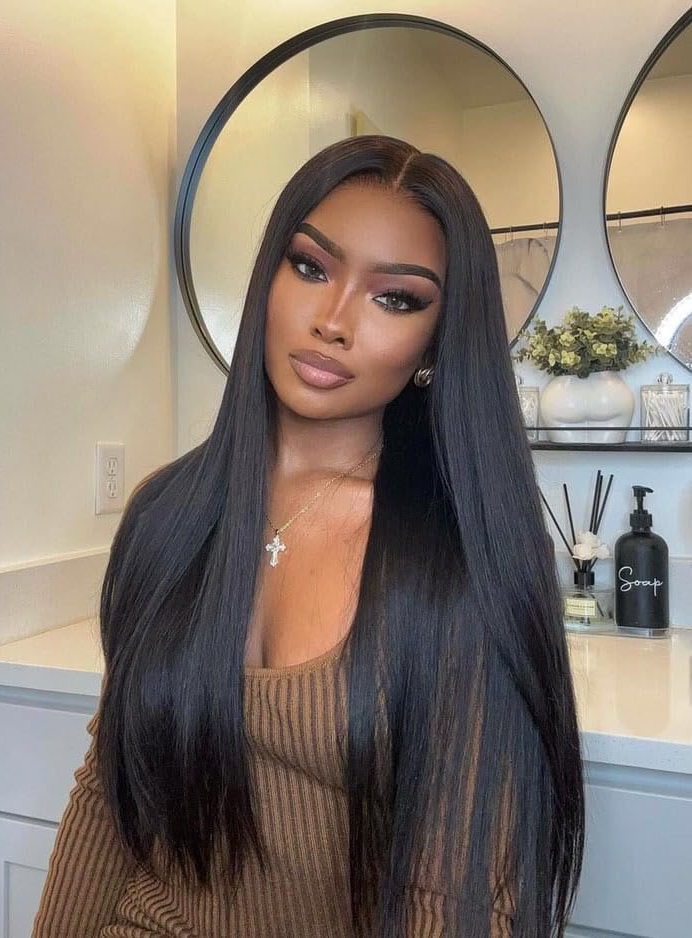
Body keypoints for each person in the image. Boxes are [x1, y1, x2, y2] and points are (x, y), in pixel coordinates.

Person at [32, 134, 584, 937]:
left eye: (396, 299)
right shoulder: (167, 514)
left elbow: (462, 895)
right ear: (268, 278)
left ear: (436, 342)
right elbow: (110, 795)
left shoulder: (455, 556)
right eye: (310, 267)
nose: (333, 321)